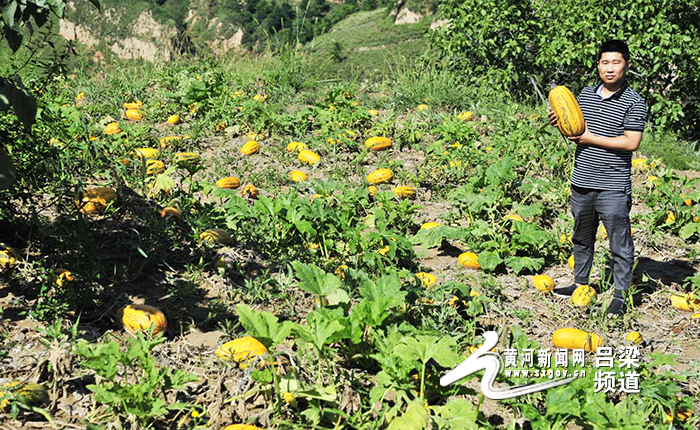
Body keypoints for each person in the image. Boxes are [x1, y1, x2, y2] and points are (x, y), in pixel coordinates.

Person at [547, 40, 647, 316]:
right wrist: (559, 123)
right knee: (582, 237)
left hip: (613, 185)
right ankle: (581, 284)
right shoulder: (586, 94)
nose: (610, 68)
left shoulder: (634, 102)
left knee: (619, 243)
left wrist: (590, 137)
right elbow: (574, 130)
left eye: (616, 62)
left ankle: (620, 296)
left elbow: (631, 143)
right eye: (605, 62)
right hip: (582, 180)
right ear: (599, 65)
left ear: (626, 64)